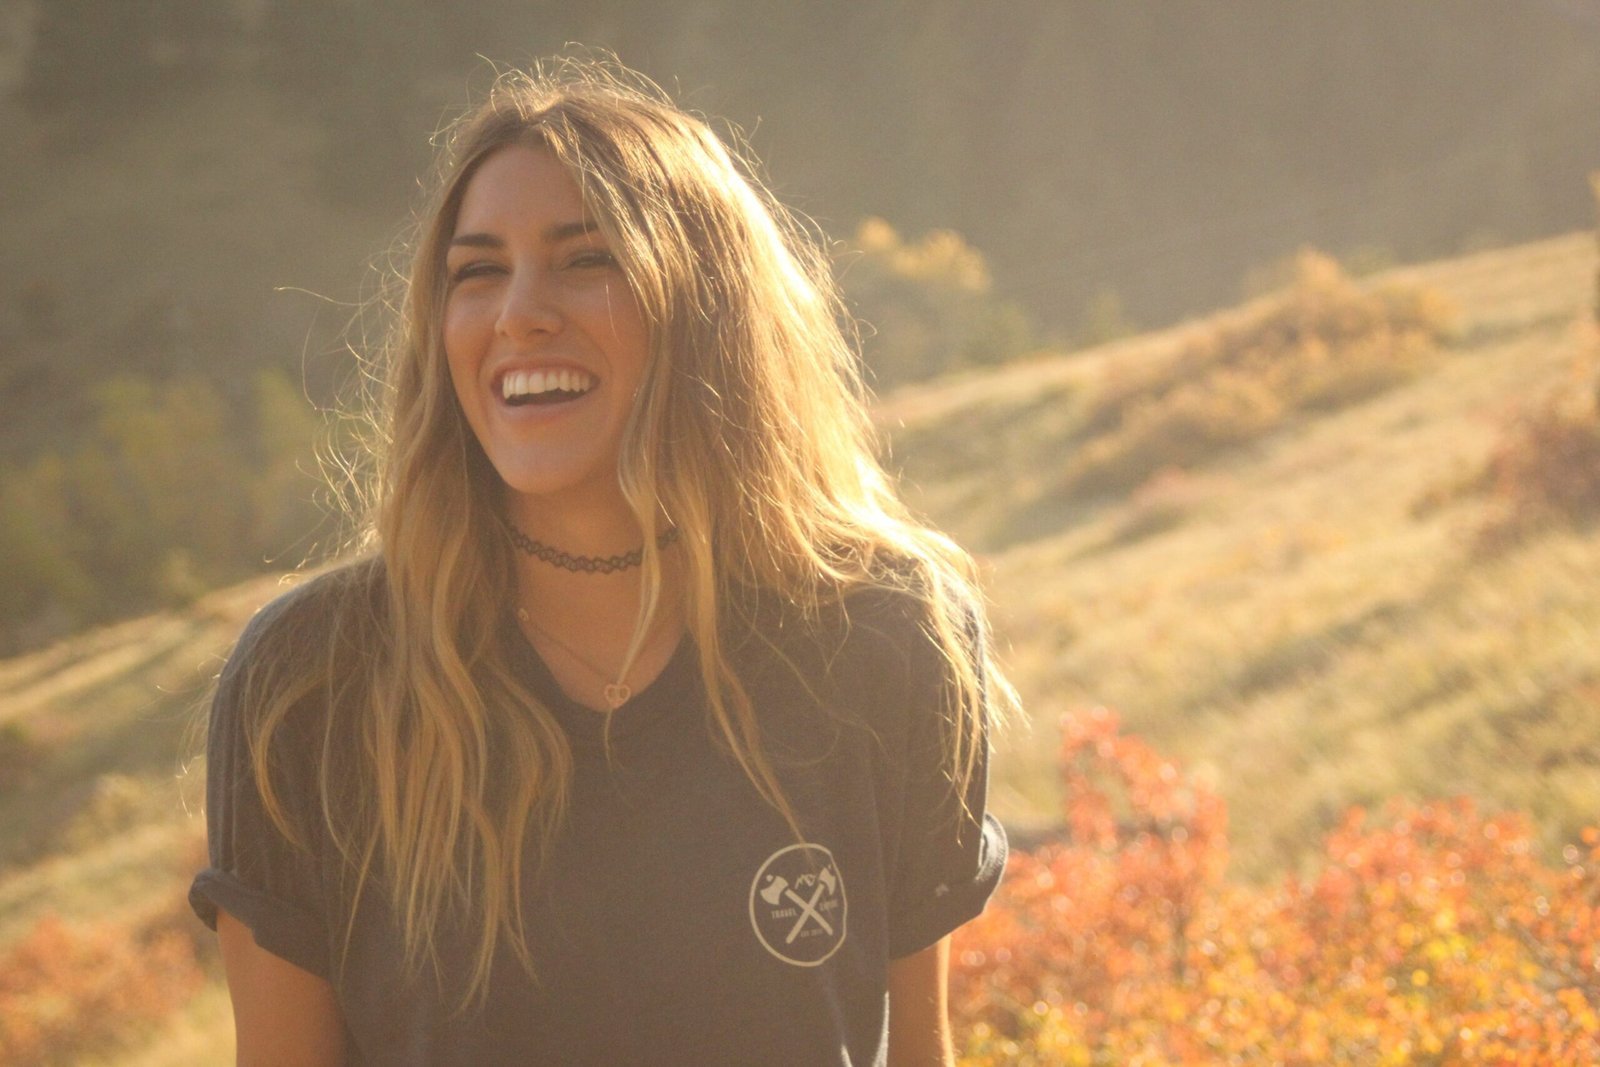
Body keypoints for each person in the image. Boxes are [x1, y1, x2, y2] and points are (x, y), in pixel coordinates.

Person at [189, 57, 1014, 1067]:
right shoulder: (310, 681)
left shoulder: (885, 632)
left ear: (708, 305)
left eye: (587, 260)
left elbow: (920, 1049)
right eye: (477, 272)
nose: (518, 314)